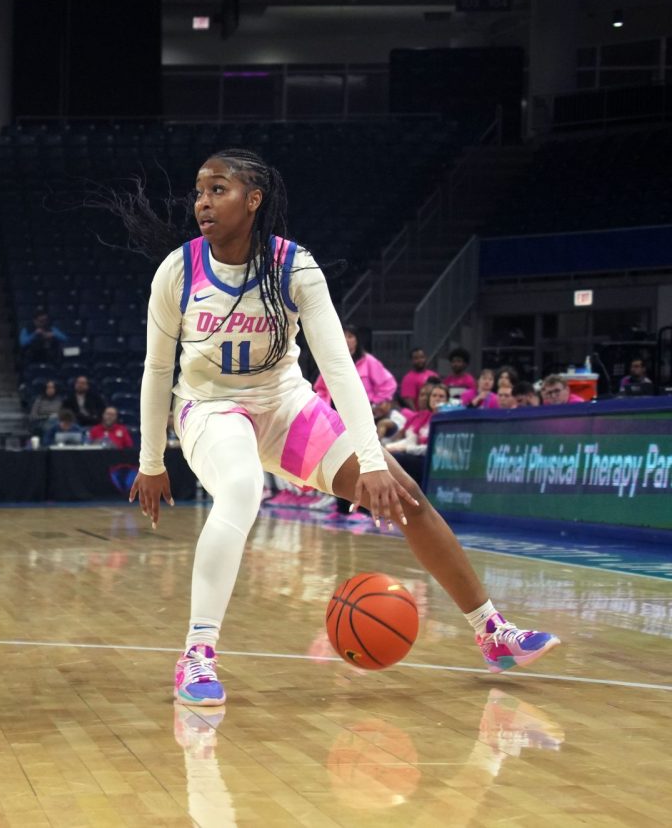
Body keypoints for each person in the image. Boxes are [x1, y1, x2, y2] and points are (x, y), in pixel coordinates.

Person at [117, 149, 558, 706]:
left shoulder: (294, 267)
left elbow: (337, 367)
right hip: (209, 409)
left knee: (406, 496)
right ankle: (197, 654)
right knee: (242, 487)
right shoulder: (178, 270)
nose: (203, 201)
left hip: (285, 407)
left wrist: (373, 464)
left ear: (253, 201)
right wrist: (151, 461)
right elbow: (158, 369)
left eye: (218, 189)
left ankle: (492, 632)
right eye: (199, 191)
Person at [313, 325, 397, 421]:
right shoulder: (331, 362)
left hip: (362, 412)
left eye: (350, 336)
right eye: (343, 336)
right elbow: (320, 388)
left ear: (357, 340)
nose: (346, 339)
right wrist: (325, 406)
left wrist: (375, 401)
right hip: (336, 412)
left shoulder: (368, 360)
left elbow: (389, 384)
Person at [385, 384, 448, 485]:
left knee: (397, 458)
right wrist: (387, 447)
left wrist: (405, 449)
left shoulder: (445, 419)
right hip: (418, 455)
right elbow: (411, 441)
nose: (437, 399)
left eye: (441, 396)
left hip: (433, 460)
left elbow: (433, 448)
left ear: (447, 400)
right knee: (388, 456)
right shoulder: (424, 417)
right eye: (434, 395)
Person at [398, 347, 438, 411]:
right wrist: (417, 415)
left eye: (422, 357)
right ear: (411, 361)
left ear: (425, 358)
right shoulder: (408, 378)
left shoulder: (433, 374)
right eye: (416, 358)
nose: (420, 360)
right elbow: (408, 400)